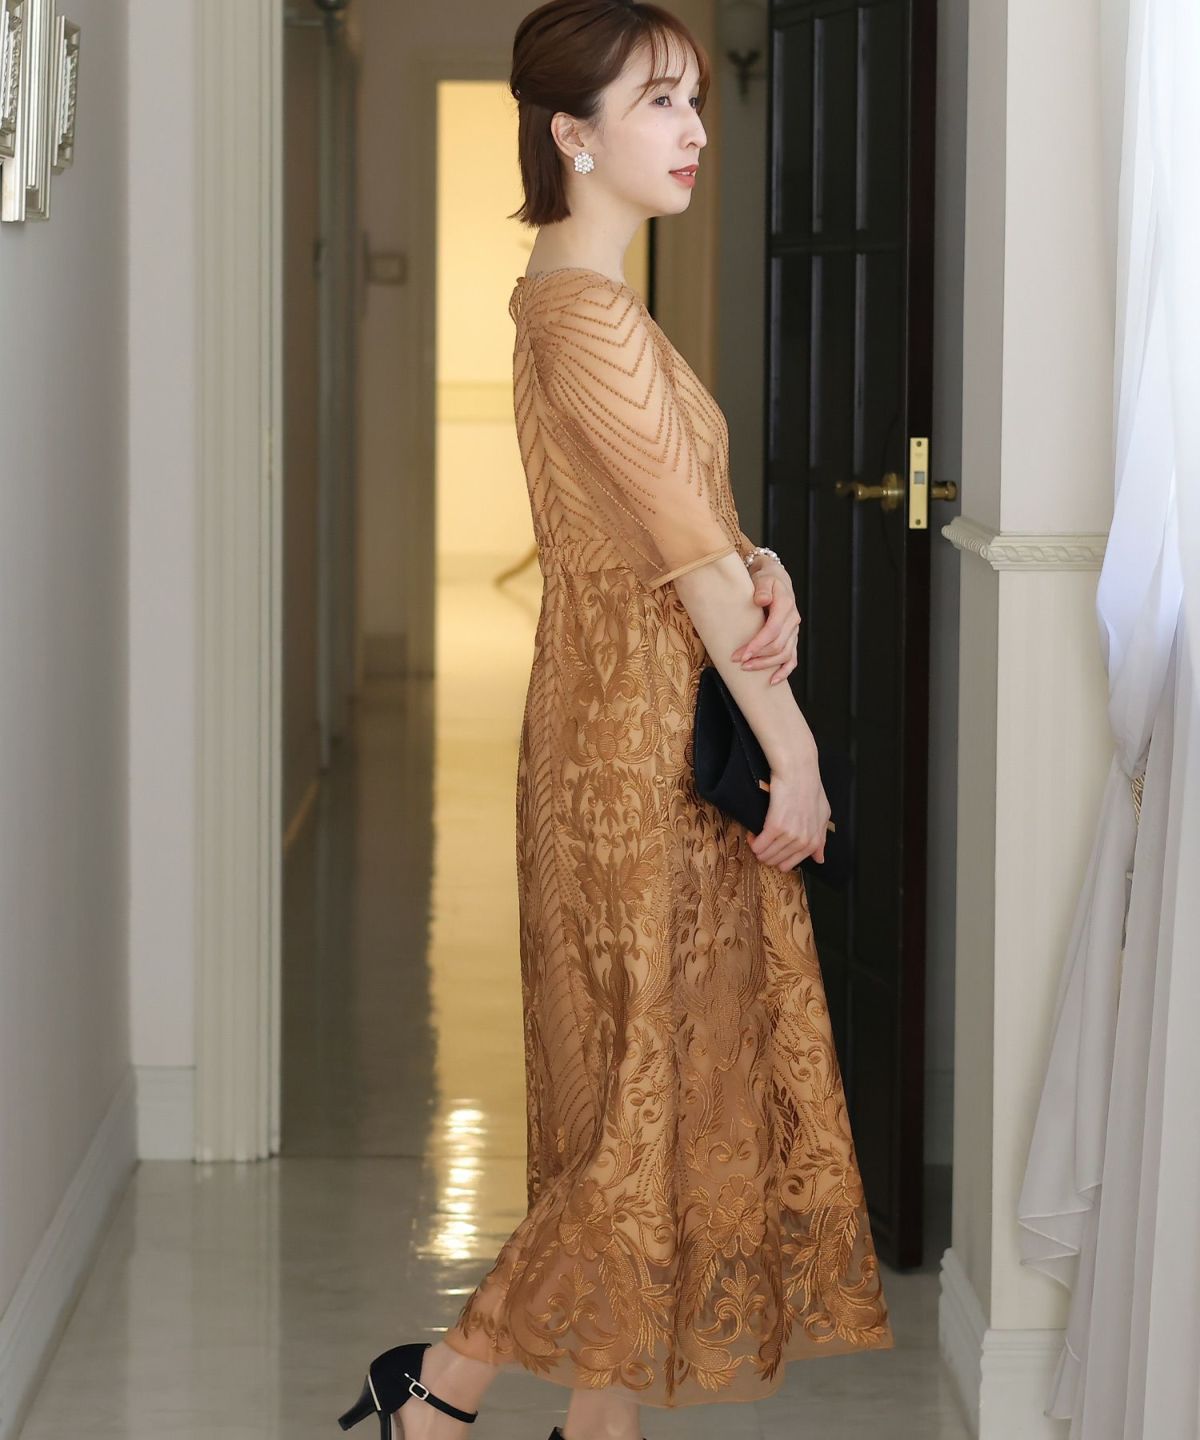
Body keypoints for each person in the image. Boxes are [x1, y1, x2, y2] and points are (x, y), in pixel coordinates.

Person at [337, 4, 893, 1438]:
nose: (696, 129)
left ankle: (583, 1421)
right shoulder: (582, 312)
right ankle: (438, 1389)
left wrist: (760, 560)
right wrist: (795, 754)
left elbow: (682, 524)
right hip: (630, 753)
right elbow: (684, 562)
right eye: (659, 102)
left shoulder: (592, 303)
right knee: (639, 1102)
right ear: (572, 134)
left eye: (696, 98)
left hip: (636, 726)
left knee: (662, 1093)